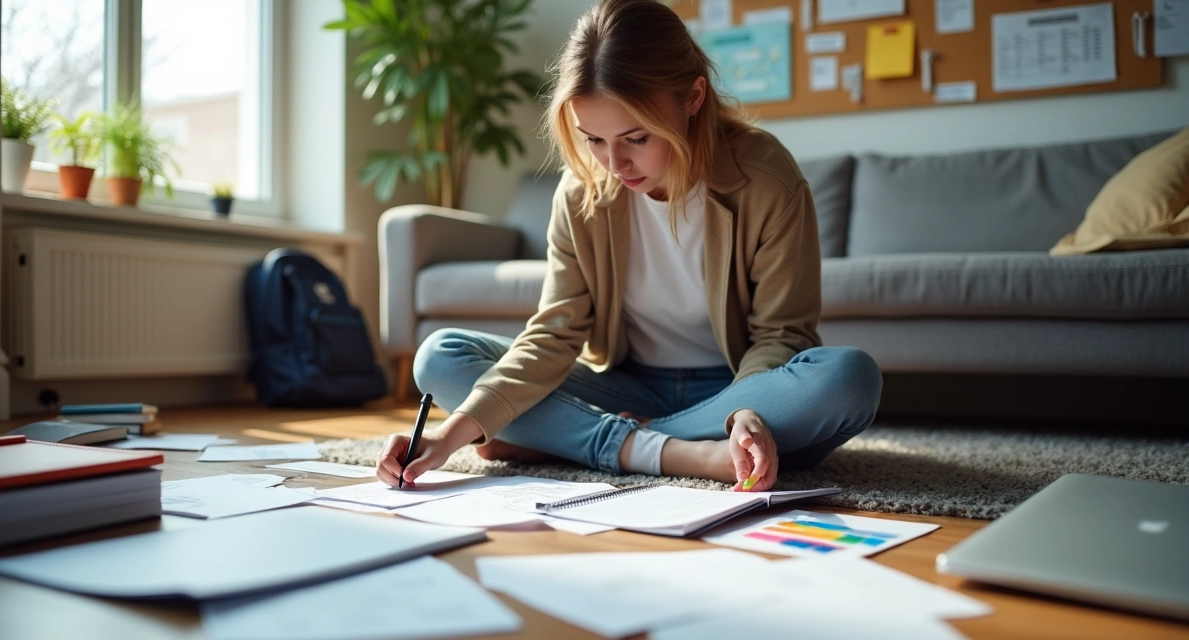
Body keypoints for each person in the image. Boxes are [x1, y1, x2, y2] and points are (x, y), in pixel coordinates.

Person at [377, 0, 881, 492]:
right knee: (439, 358)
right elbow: (554, 336)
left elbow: (782, 333)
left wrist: (744, 411)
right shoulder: (580, 192)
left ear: (693, 97)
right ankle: (678, 452)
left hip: (736, 388)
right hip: (624, 385)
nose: (613, 164)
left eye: (636, 138)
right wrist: (448, 436)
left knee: (849, 378)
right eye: (593, 139)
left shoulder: (766, 179)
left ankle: (582, 439)